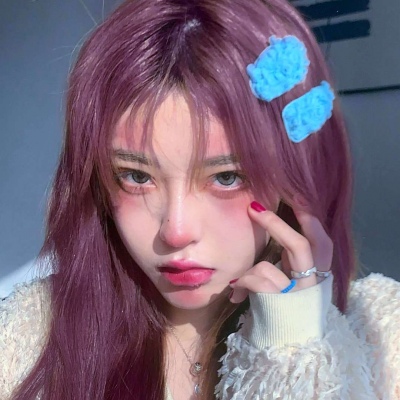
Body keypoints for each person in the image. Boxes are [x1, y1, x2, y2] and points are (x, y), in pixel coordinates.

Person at [1, 0, 399, 399]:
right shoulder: (26, 339)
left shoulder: (384, 338)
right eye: (137, 176)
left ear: (294, 179)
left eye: (226, 177)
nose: (176, 232)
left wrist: (294, 352)